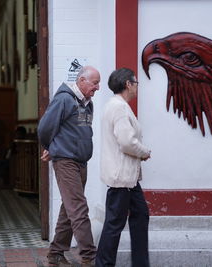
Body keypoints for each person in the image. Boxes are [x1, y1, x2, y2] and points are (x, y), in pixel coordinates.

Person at [38, 66, 101, 267]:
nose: (98, 87)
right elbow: (45, 128)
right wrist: (51, 147)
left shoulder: (87, 103)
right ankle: (90, 256)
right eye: (95, 83)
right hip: (66, 161)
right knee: (79, 208)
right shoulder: (64, 99)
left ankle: (55, 254)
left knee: (70, 208)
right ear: (81, 80)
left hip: (81, 162)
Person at [96, 68, 151, 267]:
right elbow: (127, 142)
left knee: (140, 216)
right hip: (122, 176)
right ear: (128, 84)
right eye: (135, 82)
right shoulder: (119, 107)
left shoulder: (117, 105)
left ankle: (140, 263)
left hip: (129, 177)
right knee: (114, 224)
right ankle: (103, 264)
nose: (137, 86)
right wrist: (144, 152)